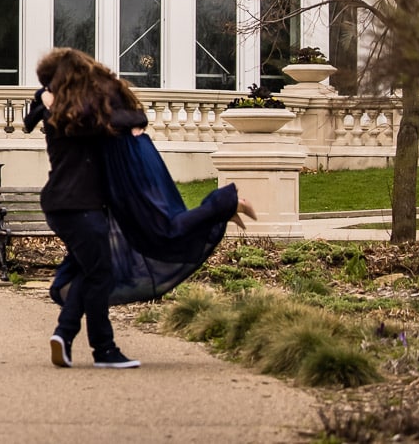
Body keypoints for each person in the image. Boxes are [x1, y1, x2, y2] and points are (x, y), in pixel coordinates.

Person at [29, 47, 254, 369]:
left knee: (88, 270)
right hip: (81, 207)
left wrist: (43, 95)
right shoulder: (84, 116)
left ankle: (63, 336)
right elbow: (132, 117)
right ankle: (103, 350)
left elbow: (115, 118)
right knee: (100, 275)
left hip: (62, 205)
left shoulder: (59, 112)